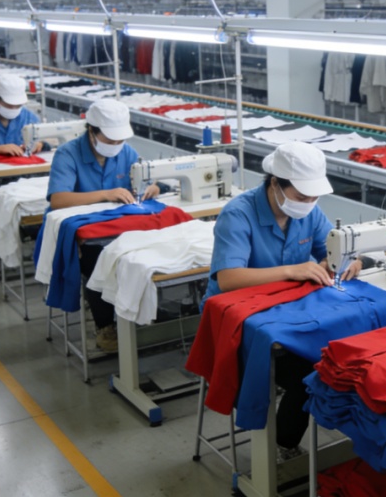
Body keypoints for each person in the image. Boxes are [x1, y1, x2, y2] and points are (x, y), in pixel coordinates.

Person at [204, 141, 363, 459]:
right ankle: (283, 442)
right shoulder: (238, 214)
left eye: (314, 197)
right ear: (275, 183)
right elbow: (228, 279)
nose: (309, 203)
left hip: (286, 312)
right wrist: (292, 270)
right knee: (313, 371)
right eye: (302, 197)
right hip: (238, 320)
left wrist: (349, 259)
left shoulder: (309, 212)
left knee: (346, 352)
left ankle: (306, 437)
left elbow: (331, 250)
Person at [46, 98, 167, 352]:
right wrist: (105, 194)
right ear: (92, 130)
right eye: (110, 140)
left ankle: (142, 313)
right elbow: (58, 200)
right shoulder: (68, 154)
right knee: (98, 258)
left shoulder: (127, 152)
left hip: (117, 226)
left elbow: (144, 181)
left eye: (119, 140)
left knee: (147, 249)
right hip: (81, 234)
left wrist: (153, 188)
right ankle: (105, 326)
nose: (116, 146)